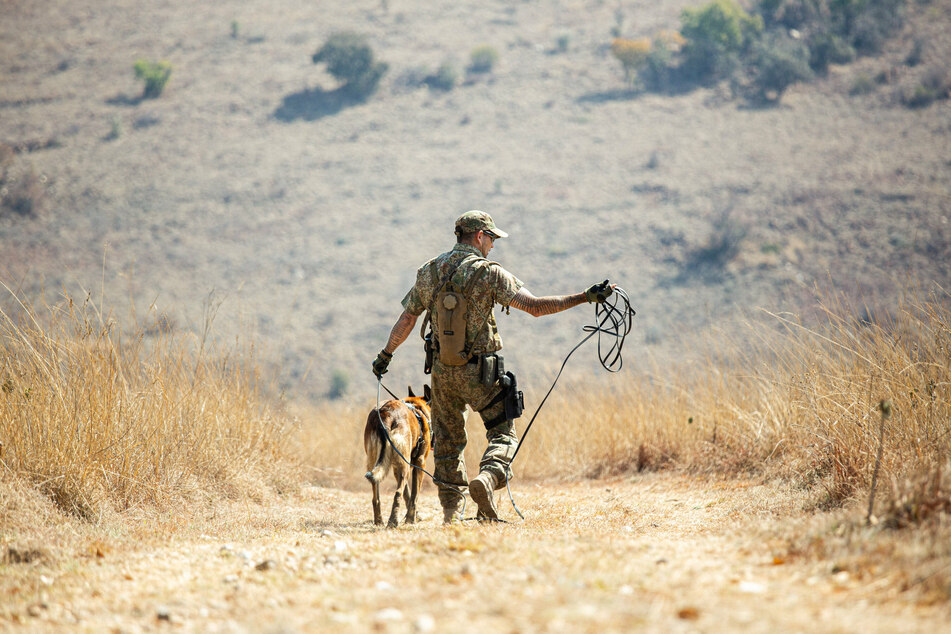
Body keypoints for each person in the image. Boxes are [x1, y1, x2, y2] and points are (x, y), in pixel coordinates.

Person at [372, 210, 613, 523]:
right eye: (492, 238)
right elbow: (536, 307)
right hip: (481, 373)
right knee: (503, 434)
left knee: (447, 444)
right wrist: (585, 296)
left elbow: (407, 319)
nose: (493, 246)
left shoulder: (429, 271)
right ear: (479, 236)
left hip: (443, 373)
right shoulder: (490, 273)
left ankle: (451, 514)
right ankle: (487, 479)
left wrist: (386, 355)